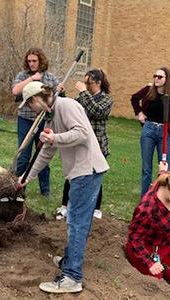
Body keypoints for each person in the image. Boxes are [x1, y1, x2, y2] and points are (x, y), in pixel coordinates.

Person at [17, 81, 109, 294]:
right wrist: (26, 178)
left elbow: (83, 133)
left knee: (76, 222)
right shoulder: (51, 115)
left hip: (87, 170)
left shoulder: (66, 106)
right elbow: (47, 153)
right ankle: (70, 260)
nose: (31, 110)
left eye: (30, 105)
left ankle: (72, 277)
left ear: (37, 98)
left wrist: (54, 137)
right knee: (78, 221)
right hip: (82, 171)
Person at [126, 161, 170, 293]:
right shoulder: (147, 209)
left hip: (166, 245)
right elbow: (134, 238)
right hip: (145, 248)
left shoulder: (167, 183)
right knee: (157, 286)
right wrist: (150, 262)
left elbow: (164, 178)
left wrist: (162, 171)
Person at [56, 68, 113, 220]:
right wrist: (62, 95)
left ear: (99, 83)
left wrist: (83, 93)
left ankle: (96, 209)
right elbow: (71, 107)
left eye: (90, 83)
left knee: (96, 177)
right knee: (72, 174)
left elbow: (97, 112)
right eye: (85, 82)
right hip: (80, 143)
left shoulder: (106, 99)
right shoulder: (83, 97)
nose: (86, 85)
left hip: (98, 145)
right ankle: (65, 206)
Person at [11, 48, 61, 197]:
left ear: (41, 61)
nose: (31, 64)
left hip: (43, 120)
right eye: (29, 61)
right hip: (25, 119)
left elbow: (56, 98)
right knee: (24, 155)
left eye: (34, 61)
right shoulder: (22, 75)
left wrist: (59, 89)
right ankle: (19, 187)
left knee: (42, 152)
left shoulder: (50, 78)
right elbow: (15, 91)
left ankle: (45, 191)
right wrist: (31, 79)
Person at [130, 67, 170, 196]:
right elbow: (134, 98)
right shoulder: (148, 90)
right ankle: (145, 198)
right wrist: (139, 113)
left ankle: (162, 197)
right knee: (147, 168)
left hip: (165, 133)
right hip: (149, 130)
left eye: (160, 77)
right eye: (155, 76)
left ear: (167, 79)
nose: (156, 79)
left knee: (165, 168)